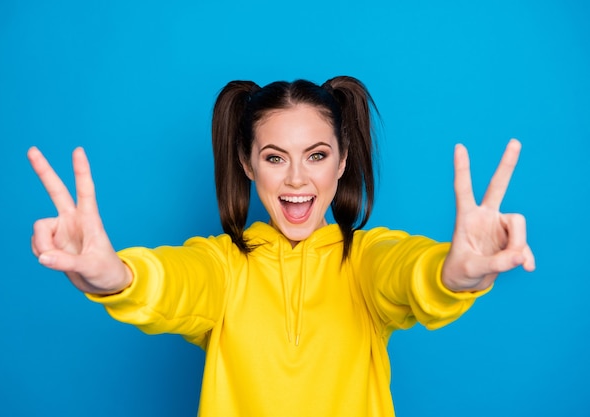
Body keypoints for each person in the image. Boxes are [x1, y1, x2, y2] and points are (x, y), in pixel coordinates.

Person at [28, 76, 535, 417]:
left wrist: (456, 274)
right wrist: (115, 276)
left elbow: (409, 272)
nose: (297, 177)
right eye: (274, 158)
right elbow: (174, 283)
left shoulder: (364, 260)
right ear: (248, 166)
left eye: (316, 155)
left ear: (341, 163)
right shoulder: (222, 266)